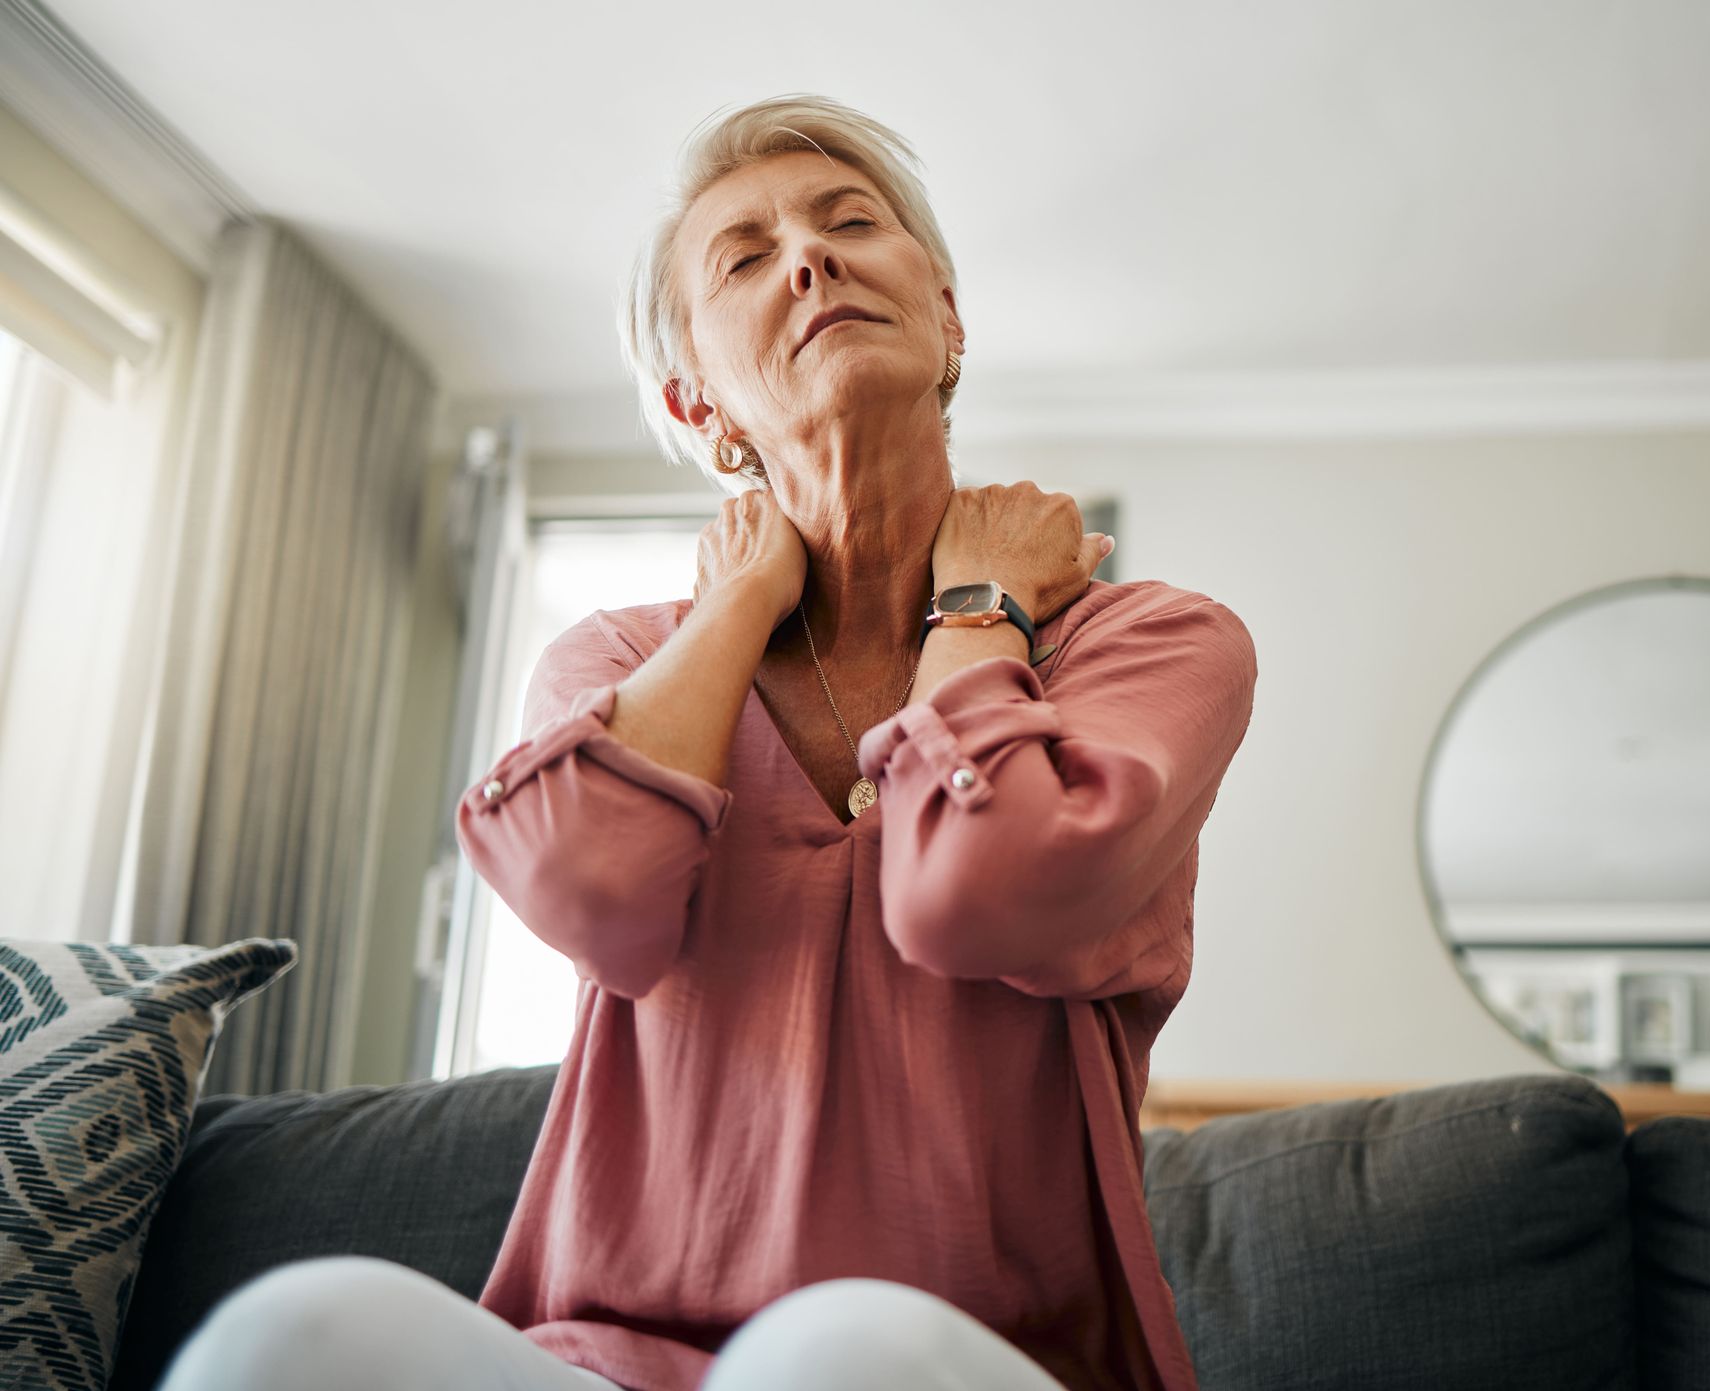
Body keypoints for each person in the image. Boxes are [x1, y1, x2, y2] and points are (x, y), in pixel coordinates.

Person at [156, 92, 1256, 1391]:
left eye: (853, 222)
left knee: (832, 1355)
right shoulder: (620, 663)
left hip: (963, 1360)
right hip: (607, 1359)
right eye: (746, 255)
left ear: (948, 318)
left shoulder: (1147, 643)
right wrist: (740, 595)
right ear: (693, 398)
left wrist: (976, 611)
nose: (811, 256)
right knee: (294, 1336)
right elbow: (589, 889)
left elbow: (976, 895)